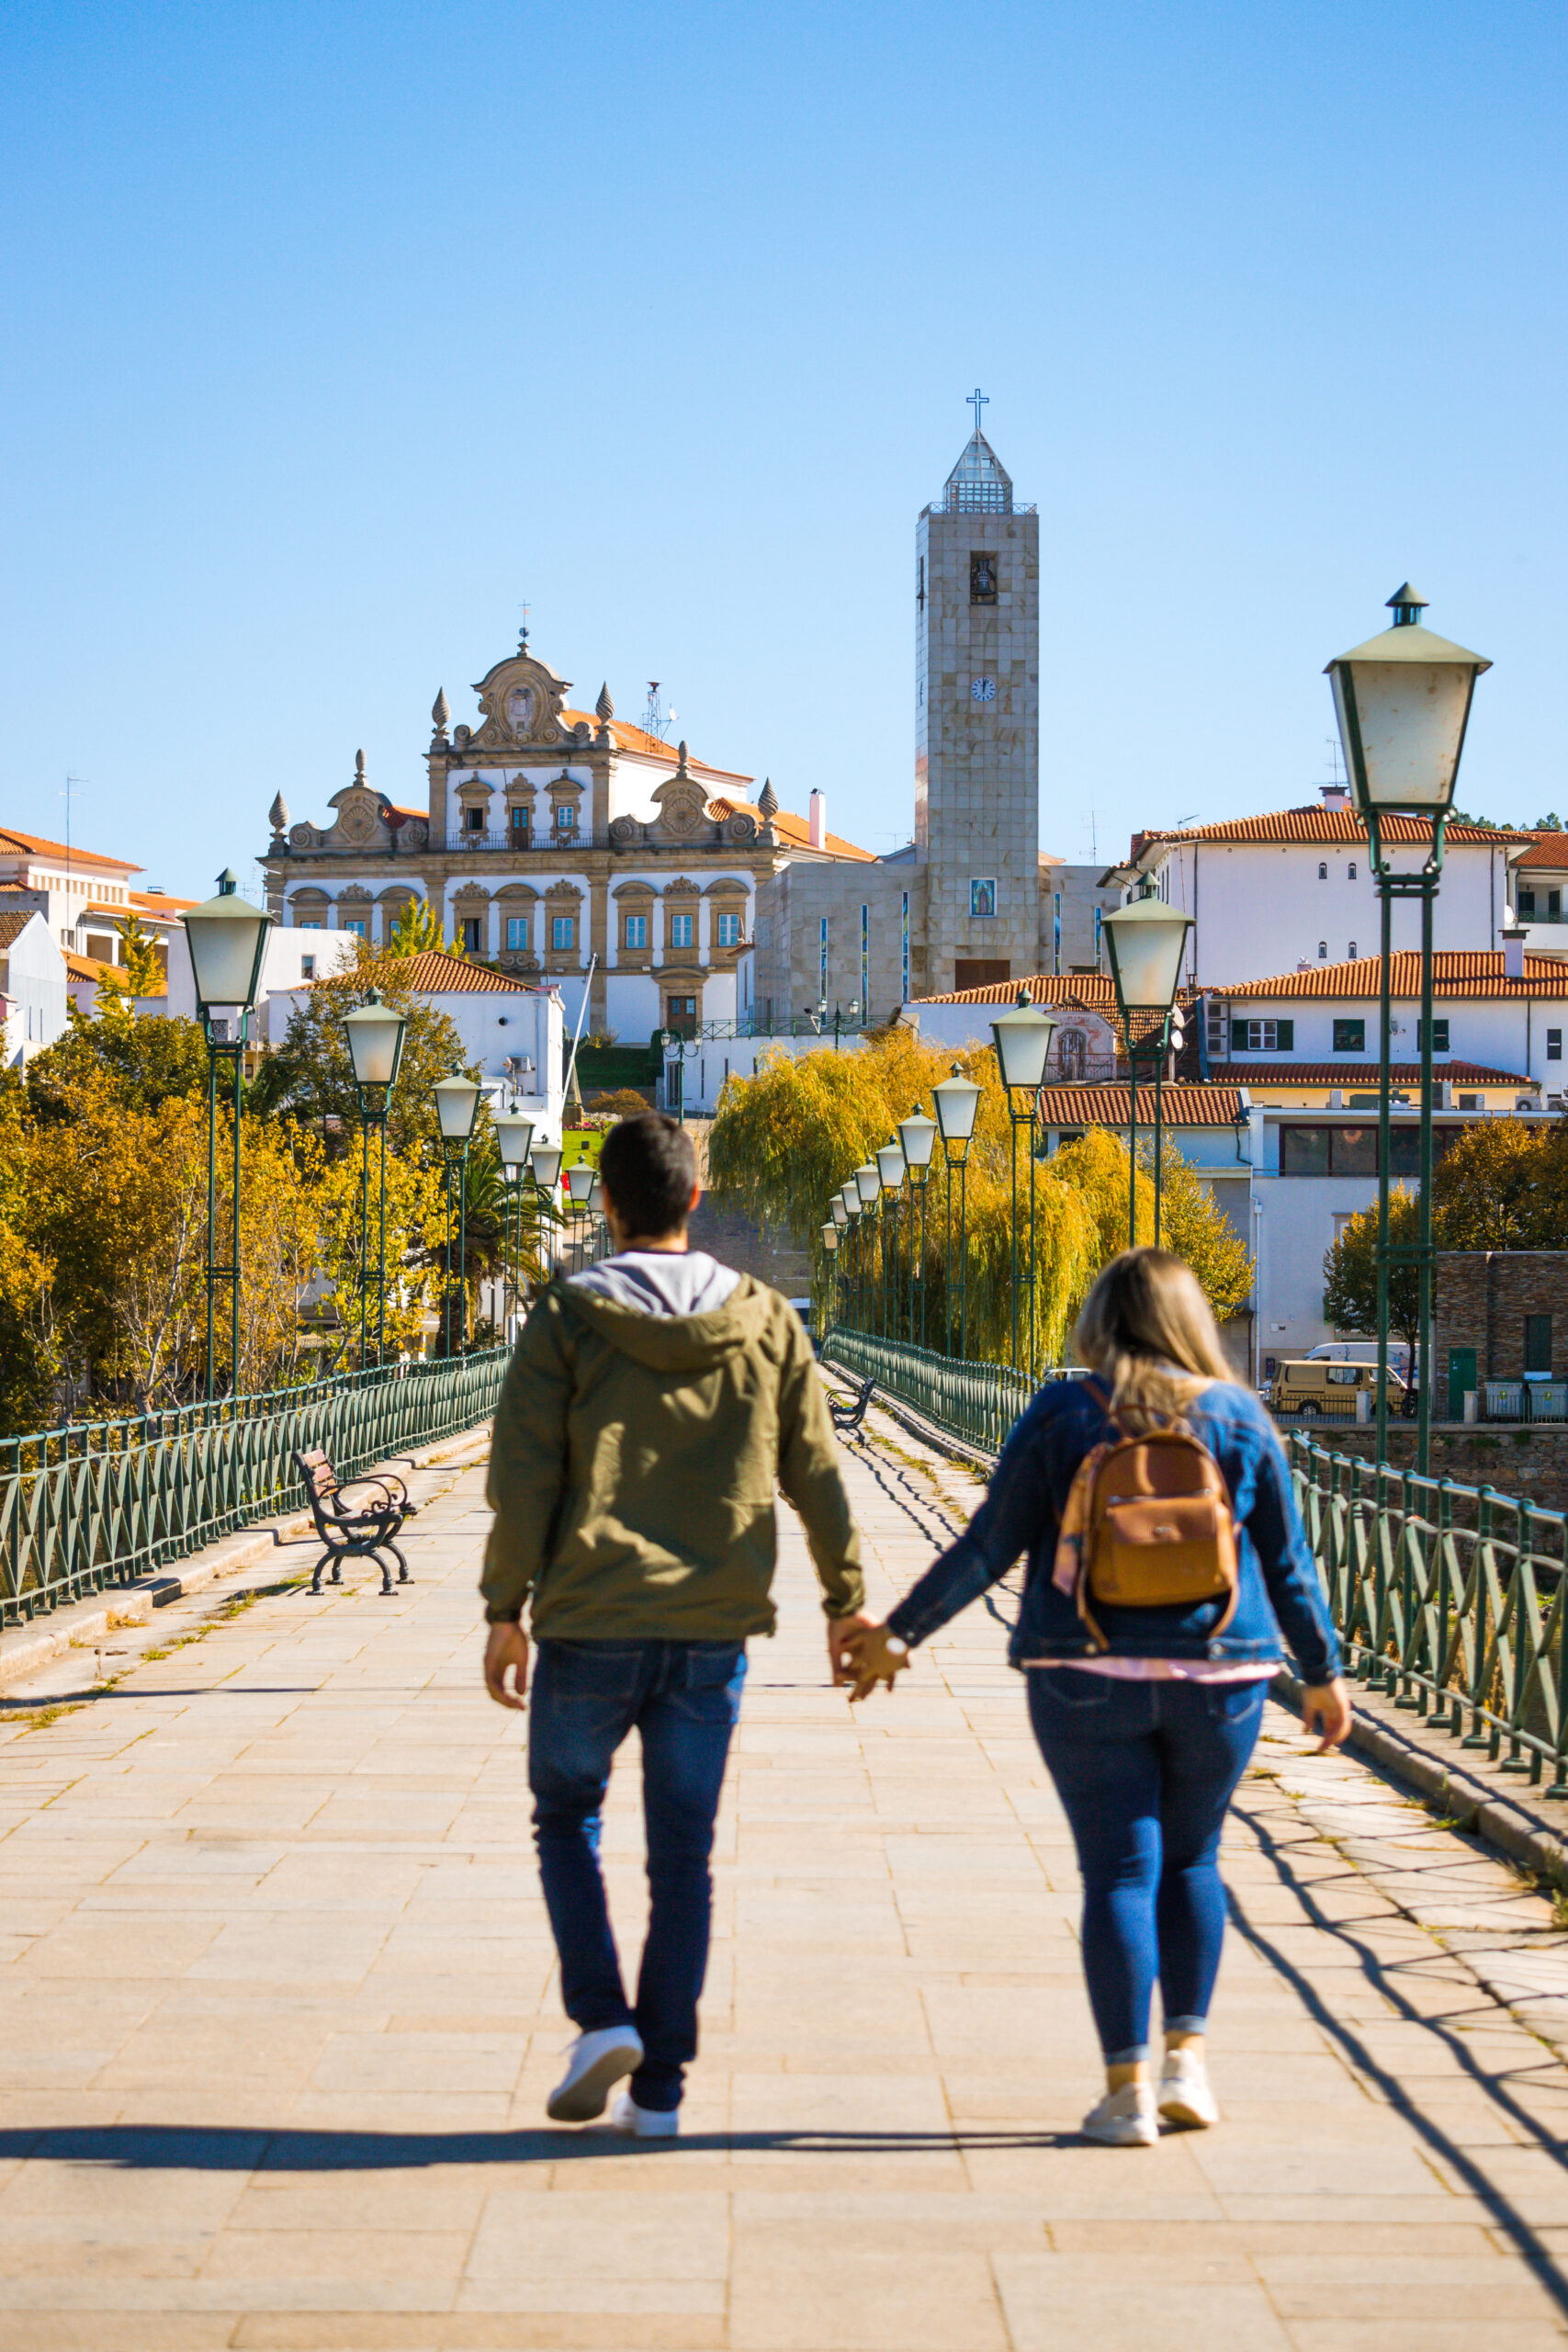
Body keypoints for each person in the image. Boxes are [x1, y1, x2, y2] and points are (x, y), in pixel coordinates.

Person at [846, 1248, 1350, 2147]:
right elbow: (1286, 1560)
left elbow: (988, 1544)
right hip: (1219, 1677)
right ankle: (1187, 2065)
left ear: (1098, 1322)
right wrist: (1321, 1673)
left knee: (1118, 1872)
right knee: (1193, 1861)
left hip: (1084, 1672)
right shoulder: (1236, 1414)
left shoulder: (1064, 1411)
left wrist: (898, 1634)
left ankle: (1126, 2093)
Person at [481, 1112, 870, 2138]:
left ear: (606, 1203)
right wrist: (845, 1601)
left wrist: (503, 1608)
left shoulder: (567, 1317)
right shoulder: (766, 1319)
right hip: (711, 1628)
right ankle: (659, 2094)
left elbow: (523, 1474)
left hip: (588, 1619)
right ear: (695, 1198)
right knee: (682, 1859)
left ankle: (602, 2016)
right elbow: (815, 1470)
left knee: (567, 1816)